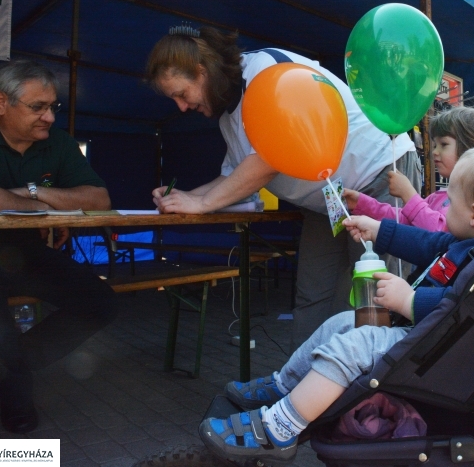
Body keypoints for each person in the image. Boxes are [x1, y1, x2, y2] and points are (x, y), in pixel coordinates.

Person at [198, 144, 474, 465]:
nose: (444, 208)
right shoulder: (468, 242)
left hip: (434, 351)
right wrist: (377, 229)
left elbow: (469, 309)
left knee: (352, 348)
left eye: (450, 202)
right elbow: (426, 242)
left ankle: (281, 428)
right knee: (343, 321)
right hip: (423, 337)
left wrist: (410, 300)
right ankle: (284, 385)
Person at [145, 27, 421, 350]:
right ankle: (297, 385)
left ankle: (355, 393)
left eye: (181, 93)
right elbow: (235, 177)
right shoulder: (226, 120)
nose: (180, 107)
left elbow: (268, 159)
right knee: (311, 294)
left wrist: (202, 203)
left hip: (379, 174)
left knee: (368, 298)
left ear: (201, 72)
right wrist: (185, 198)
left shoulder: (266, 71)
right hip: (328, 199)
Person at [0, 60, 118, 433]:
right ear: (1, 102)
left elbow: (99, 199)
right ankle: (9, 393)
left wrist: (32, 192)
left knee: (101, 302)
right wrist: (47, 208)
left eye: (53, 107)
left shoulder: (57, 143)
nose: (49, 117)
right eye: (38, 107)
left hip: (25, 252)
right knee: (18, 409)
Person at [343, 106, 474, 231]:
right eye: (435, 145)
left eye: (444, 144)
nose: (435, 151)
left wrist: (409, 194)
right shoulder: (441, 196)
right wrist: (362, 203)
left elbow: (439, 231)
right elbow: (406, 219)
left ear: (472, 147)